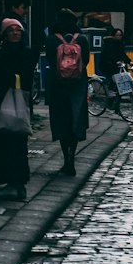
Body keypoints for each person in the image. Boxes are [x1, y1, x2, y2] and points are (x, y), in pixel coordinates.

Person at [0, 18, 37, 201]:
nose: (15, 33)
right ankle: (13, 184)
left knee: (15, 144)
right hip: (4, 102)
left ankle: (16, 184)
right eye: (11, 30)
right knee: (6, 144)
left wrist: (7, 75)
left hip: (15, 103)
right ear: (5, 34)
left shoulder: (25, 53)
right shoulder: (1, 51)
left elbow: (24, 77)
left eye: (18, 30)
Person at [44, 9, 90, 175]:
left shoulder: (51, 40)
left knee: (61, 120)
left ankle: (66, 158)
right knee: (75, 120)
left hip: (58, 85)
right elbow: (86, 60)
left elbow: (50, 60)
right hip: (78, 86)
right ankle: (72, 157)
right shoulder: (83, 39)